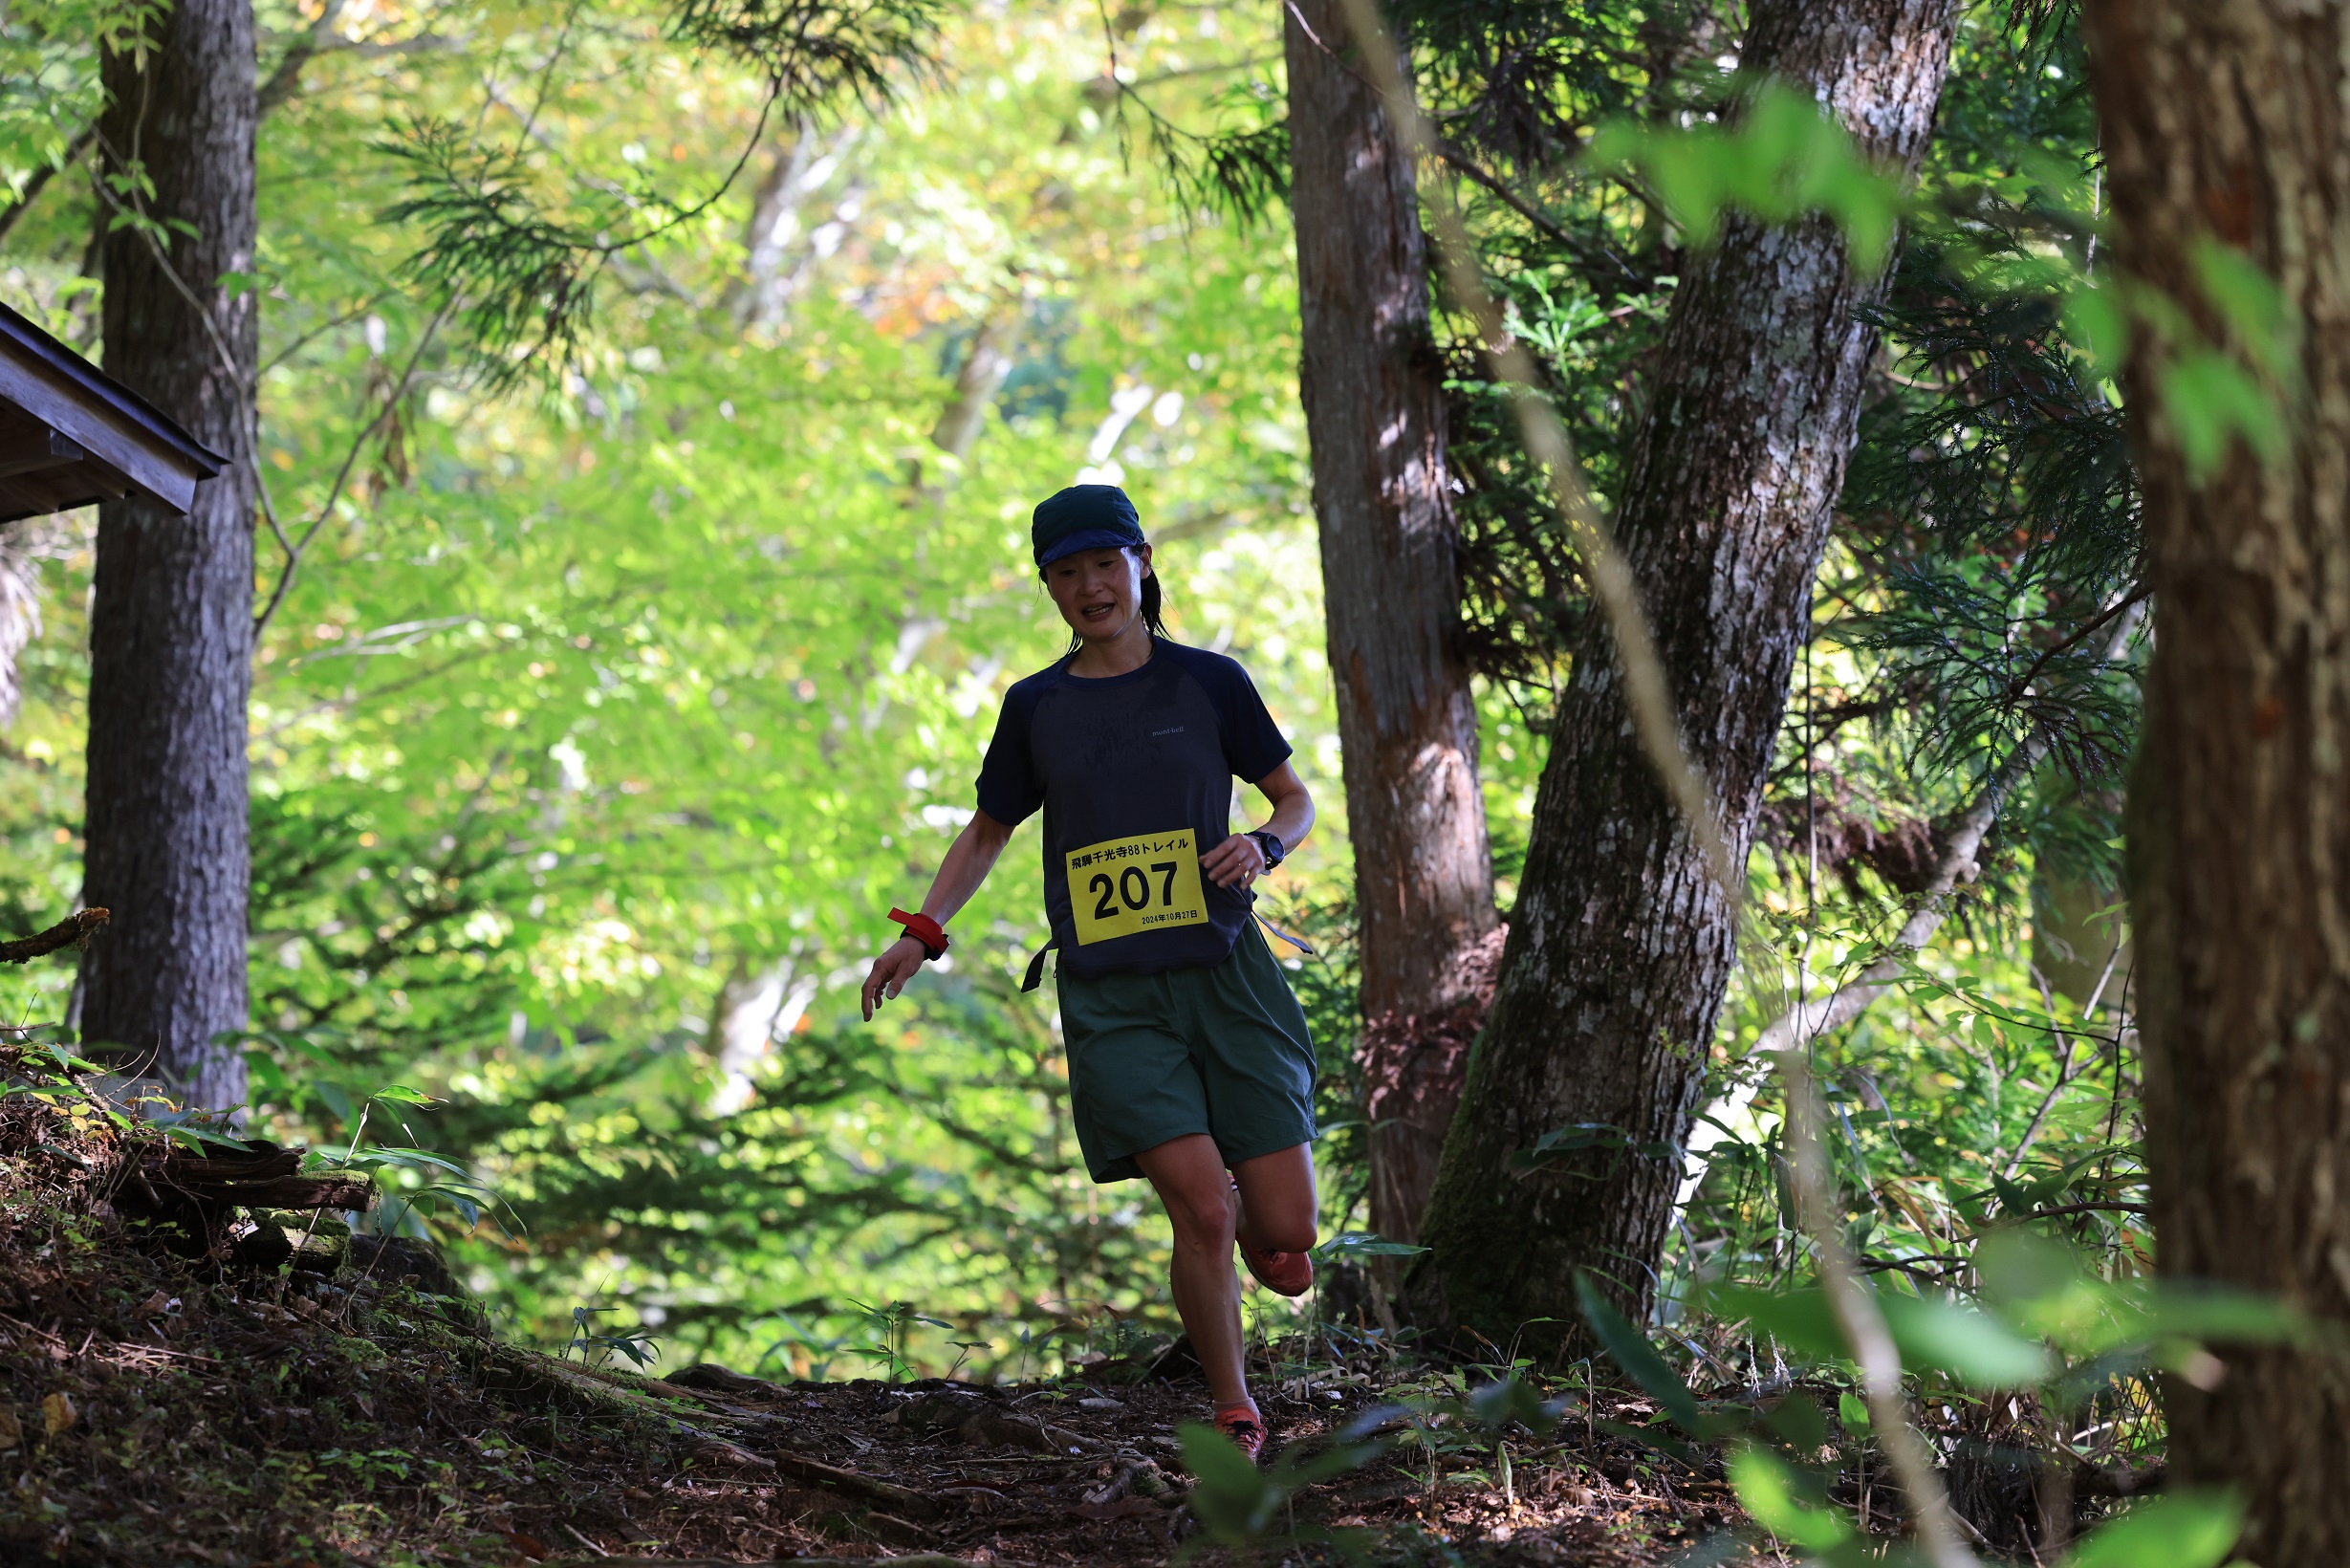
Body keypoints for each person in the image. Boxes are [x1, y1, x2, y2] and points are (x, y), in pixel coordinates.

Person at [860, 483, 1319, 1463]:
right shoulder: (1038, 706)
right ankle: (1234, 1406)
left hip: (1226, 970)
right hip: (1113, 992)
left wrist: (1263, 847)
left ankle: (1256, 1224)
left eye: (1103, 563)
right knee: (1200, 1205)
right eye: (1065, 572)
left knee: (1288, 1240)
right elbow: (988, 828)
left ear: (1141, 562)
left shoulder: (1208, 682)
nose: (1088, 585)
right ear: (1050, 588)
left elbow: (1292, 797)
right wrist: (922, 929)